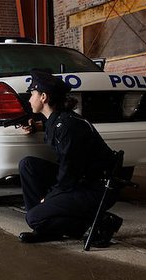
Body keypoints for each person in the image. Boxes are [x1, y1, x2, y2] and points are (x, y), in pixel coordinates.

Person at [18, 70, 123, 246]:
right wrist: (35, 126)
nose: (29, 99)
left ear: (43, 97)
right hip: (81, 182)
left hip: (95, 188)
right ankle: (44, 227)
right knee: (28, 165)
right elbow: (52, 127)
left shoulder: (68, 127)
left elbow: (68, 175)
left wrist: (49, 197)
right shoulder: (59, 119)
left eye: (32, 94)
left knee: (33, 216)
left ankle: (101, 222)